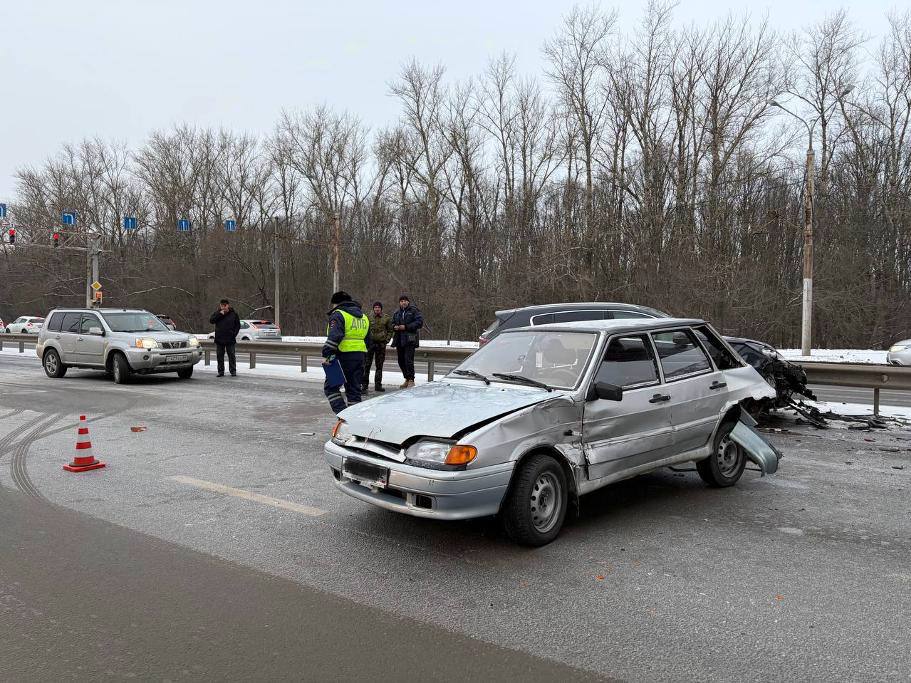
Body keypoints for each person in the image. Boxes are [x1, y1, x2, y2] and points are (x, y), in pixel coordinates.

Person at [322, 291, 369, 414]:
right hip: (360, 356)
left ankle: (343, 416)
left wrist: (327, 354)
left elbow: (335, 336)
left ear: (336, 303)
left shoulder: (338, 314)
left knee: (331, 388)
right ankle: (354, 419)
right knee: (354, 390)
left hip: (341, 356)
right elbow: (369, 340)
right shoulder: (363, 317)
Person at [391, 294, 424, 389]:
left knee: (408, 360)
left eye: (405, 301)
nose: (403, 302)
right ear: (399, 303)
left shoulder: (414, 311)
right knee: (400, 361)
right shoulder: (397, 312)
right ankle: (406, 378)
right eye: (401, 301)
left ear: (408, 302)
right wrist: (394, 327)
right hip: (399, 339)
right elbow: (392, 323)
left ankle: (411, 380)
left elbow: (419, 322)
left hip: (410, 339)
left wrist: (406, 327)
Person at [362, 301, 393, 394]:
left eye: (378, 307)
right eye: (375, 307)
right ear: (373, 308)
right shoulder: (368, 317)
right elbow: (364, 329)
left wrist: (386, 340)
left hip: (381, 344)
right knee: (367, 365)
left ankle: (378, 385)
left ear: (381, 309)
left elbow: (390, 330)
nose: (377, 309)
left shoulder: (386, 318)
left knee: (379, 366)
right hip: (370, 344)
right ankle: (364, 385)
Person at [209, 299, 240, 377]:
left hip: (230, 339)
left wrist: (234, 334)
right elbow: (211, 321)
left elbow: (237, 325)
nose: (223, 307)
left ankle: (233, 371)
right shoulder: (217, 313)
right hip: (219, 339)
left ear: (228, 305)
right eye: (221, 305)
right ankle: (221, 371)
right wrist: (219, 314)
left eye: (224, 305)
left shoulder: (234, 314)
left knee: (231, 355)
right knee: (220, 356)